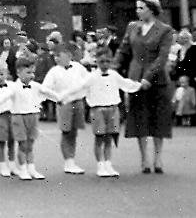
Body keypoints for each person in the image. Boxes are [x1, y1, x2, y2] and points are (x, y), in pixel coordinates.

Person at [57, 47, 143, 177]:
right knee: (99, 138)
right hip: (98, 110)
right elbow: (78, 88)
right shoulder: (91, 77)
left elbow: (126, 84)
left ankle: (108, 163)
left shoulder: (114, 75)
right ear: (96, 61)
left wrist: (140, 85)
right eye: (102, 61)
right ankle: (100, 165)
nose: (105, 64)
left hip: (113, 109)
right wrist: (63, 96)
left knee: (110, 138)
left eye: (108, 61)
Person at [115, 0, 175, 174]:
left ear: (152, 9)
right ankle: (144, 159)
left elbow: (162, 57)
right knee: (139, 117)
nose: (137, 10)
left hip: (157, 79)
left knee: (158, 118)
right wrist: (112, 67)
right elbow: (123, 50)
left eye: (141, 7)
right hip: (135, 78)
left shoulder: (165, 30)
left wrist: (148, 77)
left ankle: (158, 158)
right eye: (137, 7)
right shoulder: (133, 27)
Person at [3, 57, 61, 180]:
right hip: (19, 116)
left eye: (32, 72)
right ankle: (23, 169)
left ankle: (31, 168)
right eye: (28, 73)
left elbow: (48, 93)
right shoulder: (13, 87)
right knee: (23, 144)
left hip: (33, 115)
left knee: (30, 144)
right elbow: (4, 97)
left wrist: (60, 99)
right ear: (18, 73)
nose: (32, 75)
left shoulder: (35, 86)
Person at [41, 44, 89, 174]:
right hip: (64, 104)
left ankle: (71, 159)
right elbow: (45, 88)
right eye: (55, 56)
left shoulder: (79, 67)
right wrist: (57, 97)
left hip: (78, 102)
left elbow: (88, 80)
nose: (56, 58)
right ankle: (68, 161)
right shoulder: (54, 71)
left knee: (74, 131)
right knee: (66, 132)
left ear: (68, 55)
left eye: (59, 55)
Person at [172, 29, 196, 125]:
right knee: (181, 97)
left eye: (186, 38)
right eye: (182, 38)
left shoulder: (194, 48)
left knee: (193, 97)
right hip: (182, 77)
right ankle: (183, 118)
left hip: (193, 76)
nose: (184, 40)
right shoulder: (179, 50)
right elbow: (179, 64)